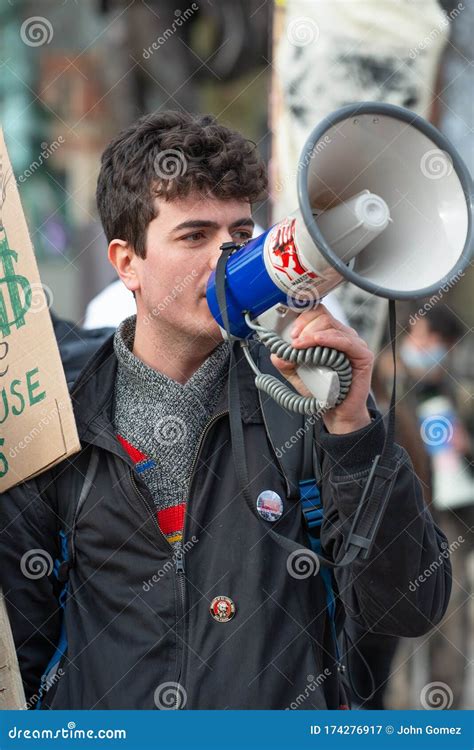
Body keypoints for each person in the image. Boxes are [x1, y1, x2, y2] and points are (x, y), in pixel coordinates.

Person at [0, 111, 451, 710]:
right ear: (126, 261)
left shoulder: (311, 401)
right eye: (193, 236)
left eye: (240, 236)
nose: (224, 256)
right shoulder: (65, 416)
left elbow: (406, 607)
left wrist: (351, 430)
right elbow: (23, 645)